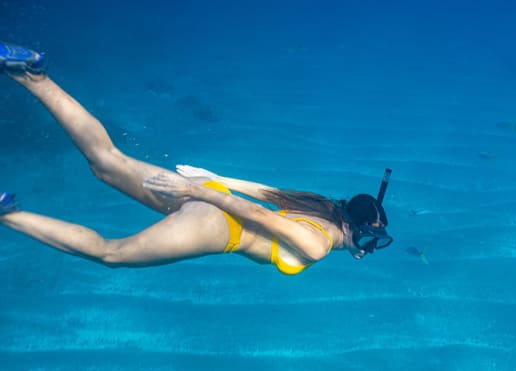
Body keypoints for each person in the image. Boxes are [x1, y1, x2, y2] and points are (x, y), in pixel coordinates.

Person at [0, 42, 393, 275]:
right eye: (372, 240)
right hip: (216, 222)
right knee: (110, 253)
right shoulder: (318, 244)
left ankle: (32, 74)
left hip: (212, 194)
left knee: (106, 161)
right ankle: (7, 214)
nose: (367, 248)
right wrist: (195, 190)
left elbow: (268, 192)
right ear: (359, 230)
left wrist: (211, 178)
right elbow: (261, 215)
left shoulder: (323, 206)